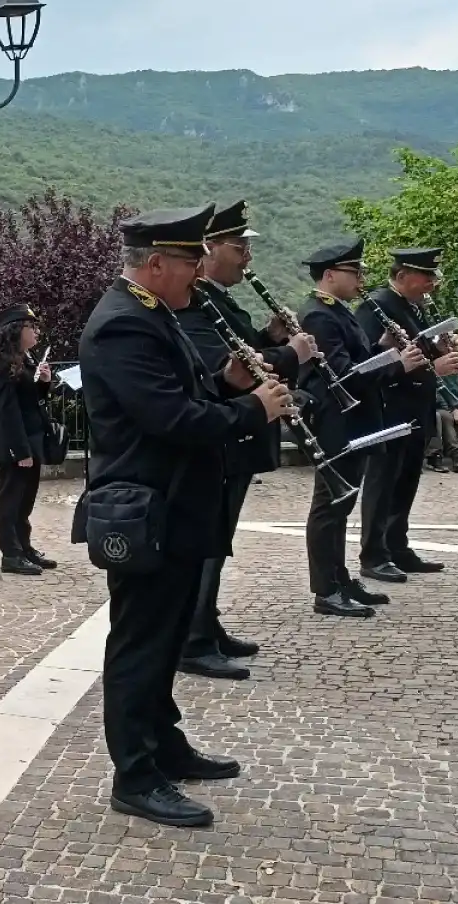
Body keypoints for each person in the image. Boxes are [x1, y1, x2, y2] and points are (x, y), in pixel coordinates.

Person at [73, 204, 292, 828]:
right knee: (140, 643)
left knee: (165, 638)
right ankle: (135, 775)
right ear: (157, 263)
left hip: (173, 505)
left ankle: (164, 745)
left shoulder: (155, 313)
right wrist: (255, 409)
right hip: (147, 506)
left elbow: (186, 393)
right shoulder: (123, 324)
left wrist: (226, 381)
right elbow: (169, 419)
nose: (200, 271)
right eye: (192, 261)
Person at [171, 200, 314, 680]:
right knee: (209, 542)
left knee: (220, 538)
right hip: (224, 439)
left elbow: (245, 346)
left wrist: (270, 334)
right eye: (239, 247)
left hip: (238, 439)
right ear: (209, 250)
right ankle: (192, 638)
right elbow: (227, 372)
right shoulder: (194, 305)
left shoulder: (217, 299)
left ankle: (206, 625)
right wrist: (290, 354)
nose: (246, 258)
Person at [297, 239, 416, 618]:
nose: (361, 278)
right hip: (337, 420)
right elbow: (342, 376)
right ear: (330, 275)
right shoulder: (319, 315)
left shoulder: (338, 311)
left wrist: (385, 348)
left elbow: (359, 360)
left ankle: (340, 577)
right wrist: (399, 366)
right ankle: (325, 589)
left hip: (354, 420)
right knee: (329, 507)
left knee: (342, 506)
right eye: (355, 272)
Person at [355, 249, 458, 583]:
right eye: (426, 276)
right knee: (383, 481)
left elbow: (415, 351)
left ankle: (396, 547)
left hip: (416, 406)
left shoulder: (411, 307)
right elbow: (370, 361)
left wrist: (441, 349)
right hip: (390, 408)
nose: (431, 284)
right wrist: (435, 367)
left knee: (406, 481)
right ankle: (373, 554)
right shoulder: (375, 307)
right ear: (402, 276)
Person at [0, 303, 57, 576]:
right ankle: (11, 554)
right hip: (14, 441)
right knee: (10, 500)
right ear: (15, 330)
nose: (35, 332)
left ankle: (24, 546)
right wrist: (20, 450)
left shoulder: (24, 358)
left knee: (26, 500)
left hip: (29, 437)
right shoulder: (2, 363)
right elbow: (7, 411)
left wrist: (43, 382)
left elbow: (30, 401)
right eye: (29, 327)